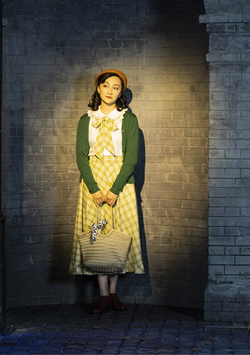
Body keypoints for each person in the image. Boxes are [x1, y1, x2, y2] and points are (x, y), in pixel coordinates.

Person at [69, 69, 144, 315]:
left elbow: (131, 158)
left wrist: (114, 189)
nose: (110, 91)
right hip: (93, 184)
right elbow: (81, 157)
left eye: (116, 87)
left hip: (120, 184)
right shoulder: (86, 120)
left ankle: (113, 292)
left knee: (118, 236)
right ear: (98, 88)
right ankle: (103, 295)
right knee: (97, 236)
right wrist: (94, 189)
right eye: (106, 85)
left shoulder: (128, 119)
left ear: (121, 92)